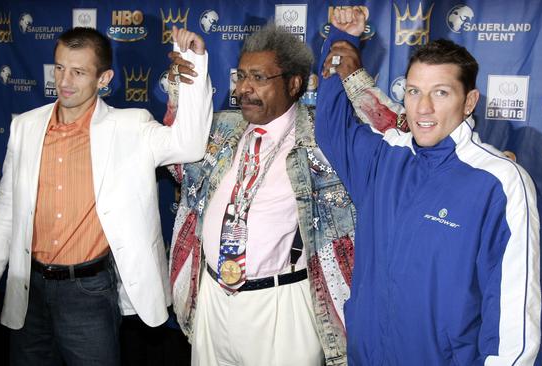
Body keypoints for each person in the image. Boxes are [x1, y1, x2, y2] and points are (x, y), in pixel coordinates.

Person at [0, 27, 212, 365]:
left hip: (89, 292)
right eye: (59, 68)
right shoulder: (25, 126)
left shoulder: (132, 126)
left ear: (104, 78)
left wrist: (193, 65)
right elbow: (7, 205)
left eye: (78, 72)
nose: (64, 81)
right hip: (28, 286)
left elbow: (191, 144)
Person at [315, 8, 542, 365]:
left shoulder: (499, 182)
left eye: (440, 93)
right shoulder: (385, 157)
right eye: (413, 91)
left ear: (468, 102)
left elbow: (515, 318)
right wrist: (340, 40)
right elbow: (331, 131)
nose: (423, 107)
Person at [164, 23, 398, 366]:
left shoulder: (324, 136)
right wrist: (182, 83)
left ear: (294, 83)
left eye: (259, 78)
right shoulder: (222, 128)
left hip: (282, 306)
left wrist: (355, 81)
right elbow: (177, 161)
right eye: (241, 75)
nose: (244, 88)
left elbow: (398, 141)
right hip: (212, 297)